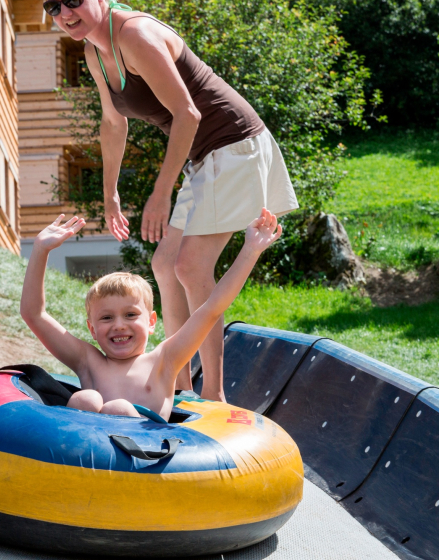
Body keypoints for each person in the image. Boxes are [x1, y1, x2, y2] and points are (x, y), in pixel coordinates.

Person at [44, 0, 298, 401]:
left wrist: (161, 193)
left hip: (234, 145)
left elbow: (187, 114)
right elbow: (113, 123)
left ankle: (213, 395)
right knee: (164, 264)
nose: (64, 13)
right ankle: (179, 387)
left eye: (73, 0)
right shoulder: (94, 51)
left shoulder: (135, 35)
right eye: (52, 6)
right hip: (204, 157)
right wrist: (110, 194)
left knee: (190, 266)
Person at [20, 210, 282, 419]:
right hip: (89, 453)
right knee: (85, 399)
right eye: (107, 318)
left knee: (118, 408)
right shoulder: (88, 362)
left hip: (146, 454)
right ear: (92, 329)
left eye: (130, 315)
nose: (119, 325)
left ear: (152, 322)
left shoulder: (165, 360)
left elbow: (212, 307)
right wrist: (40, 250)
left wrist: (250, 251)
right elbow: (34, 314)